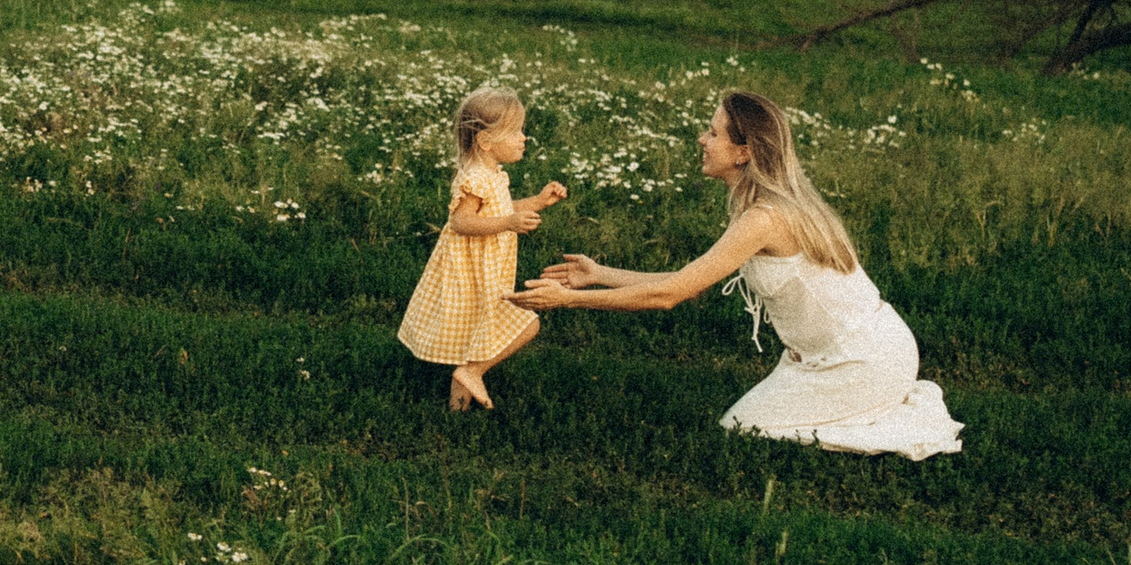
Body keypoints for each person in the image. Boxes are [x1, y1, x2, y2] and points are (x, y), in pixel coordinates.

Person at [511, 90, 962, 459]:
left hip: (865, 360)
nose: (702, 140)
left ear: (743, 152)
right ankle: (874, 403)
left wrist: (569, 300)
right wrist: (599, 273)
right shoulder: (763, 207)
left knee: (743, 430)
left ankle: (888, 409)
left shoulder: (765, 217)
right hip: (859, 351)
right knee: (748, 424)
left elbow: (669, 295)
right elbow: (687, 283)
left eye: (712, 133)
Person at [397, 87, 568, 410]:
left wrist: (538, 202)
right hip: (473, 271)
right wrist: (508, 224)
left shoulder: (492, 175)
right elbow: (461, 222)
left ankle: (457, 413)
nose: (524, 138)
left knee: (477, 332)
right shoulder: (476, 177)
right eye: (515, 131)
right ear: (486, 141)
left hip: (486, 269)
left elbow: (497, 210)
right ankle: (473, 372)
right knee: (529, 323)